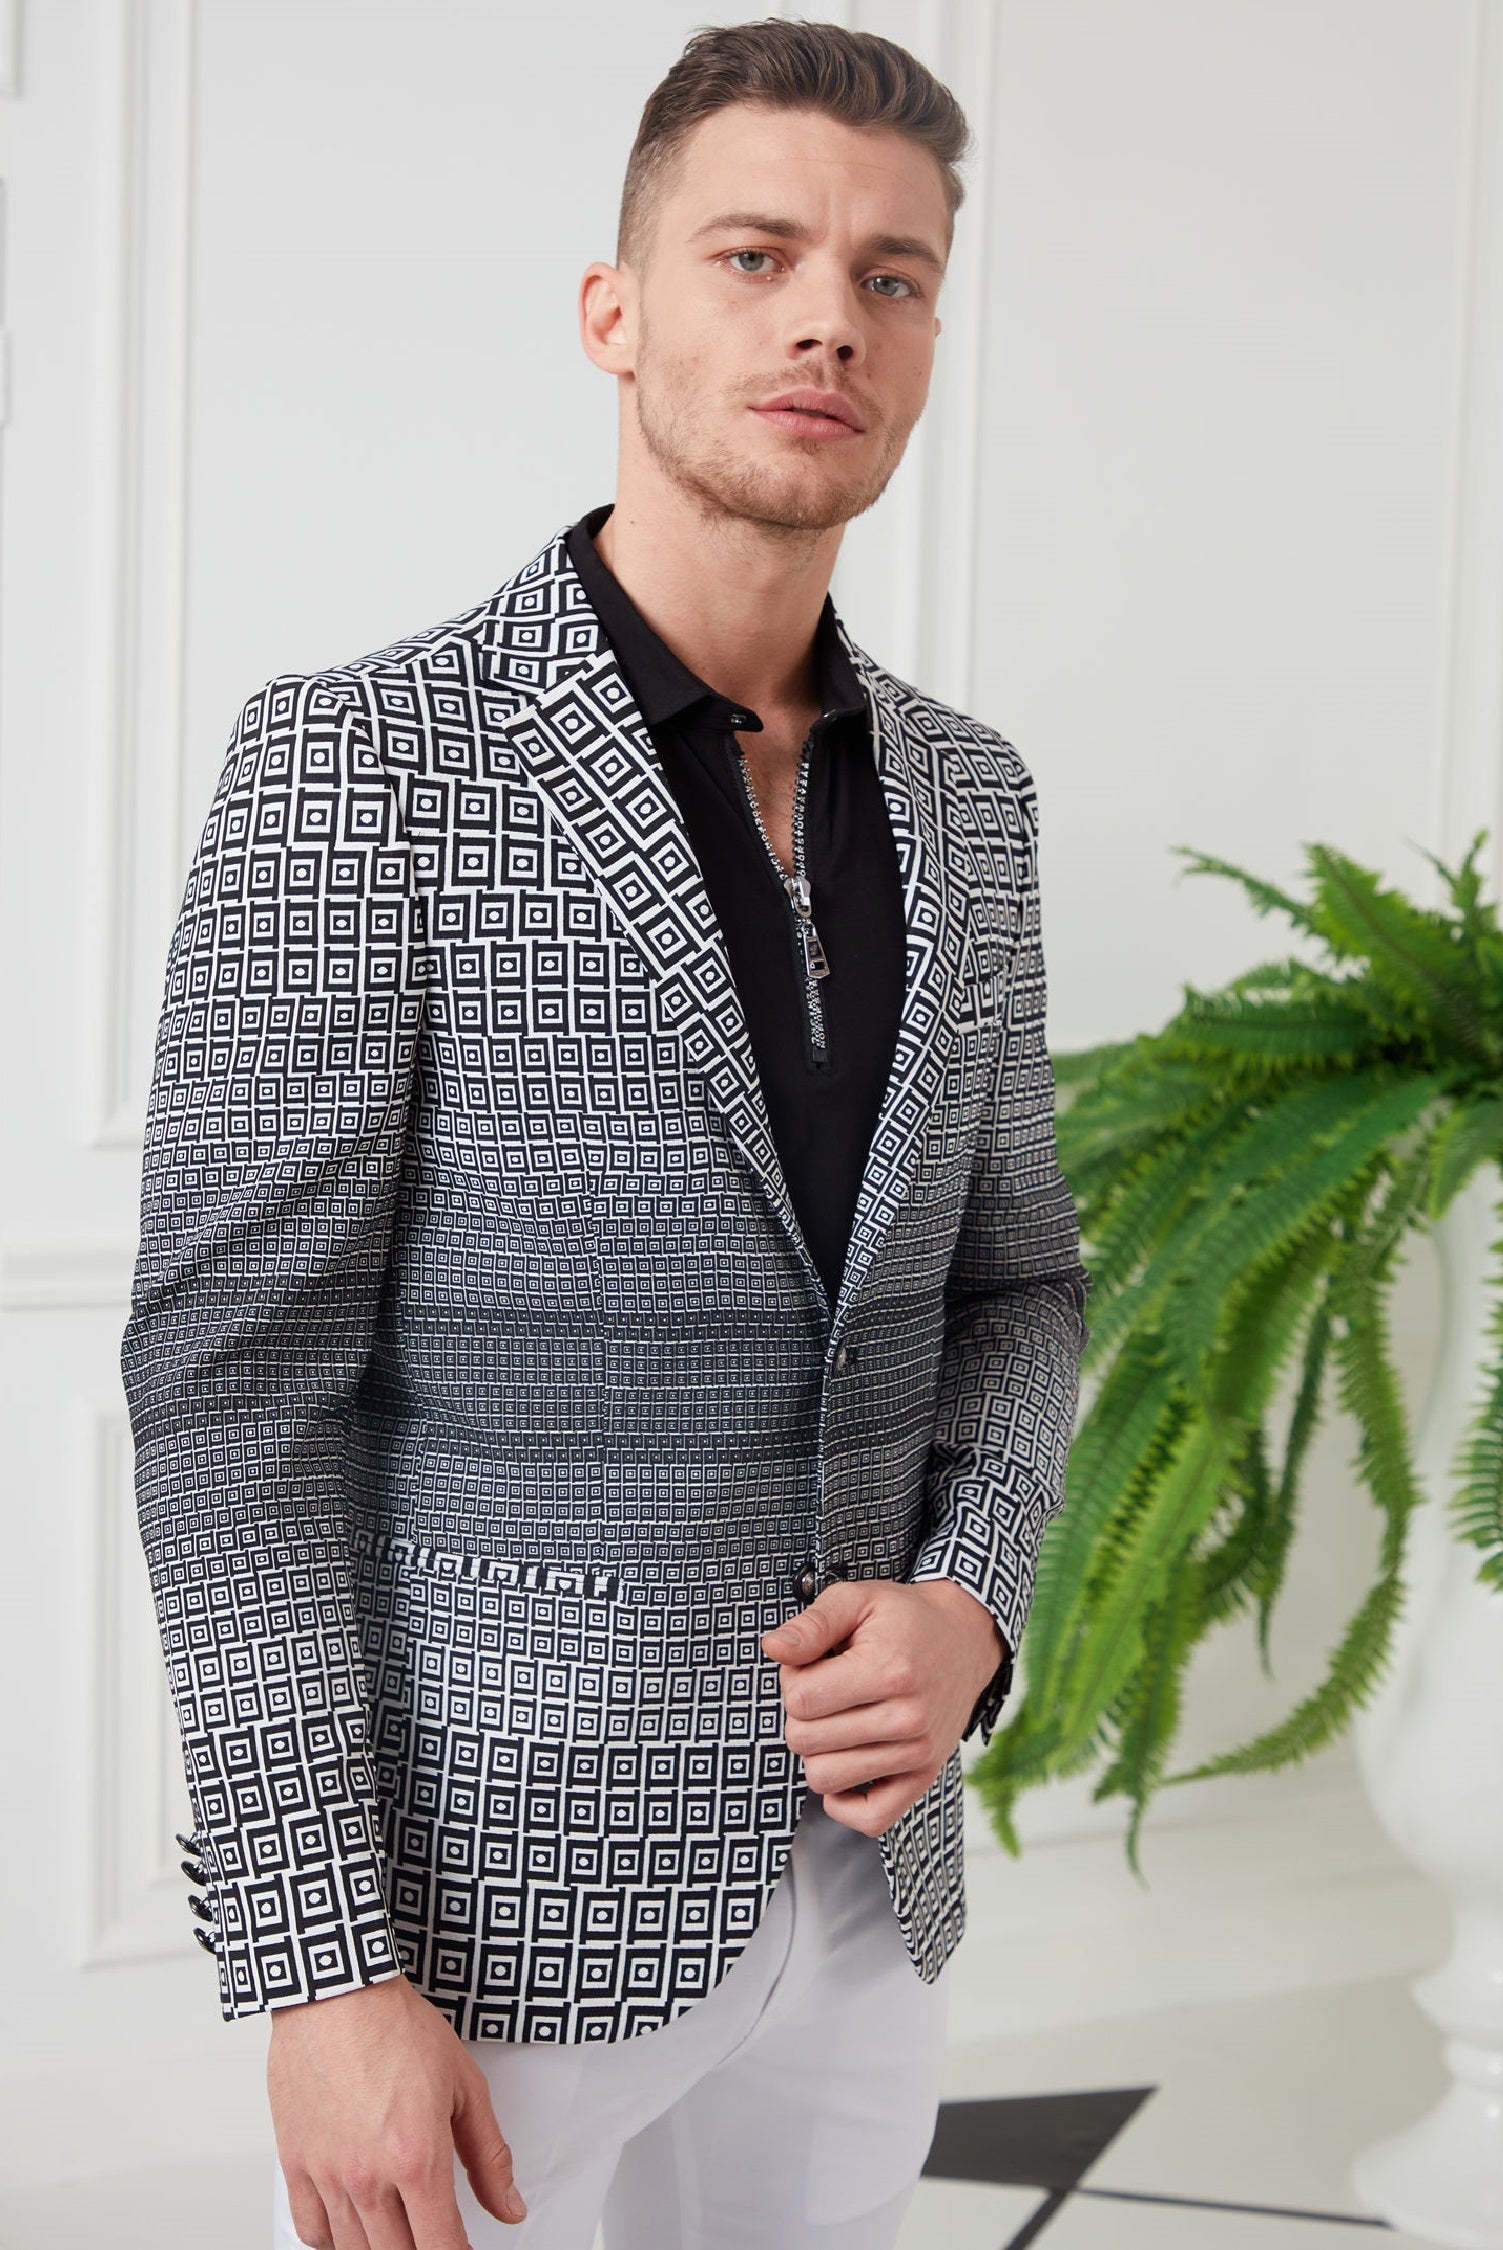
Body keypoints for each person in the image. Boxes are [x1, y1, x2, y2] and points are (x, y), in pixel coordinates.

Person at [120, 16, 1091, 2249]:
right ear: (615, 310)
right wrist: (319, 1969)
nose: (828, 318)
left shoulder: (975, 798)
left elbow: (1020, 1283)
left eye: (891, 276)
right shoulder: (358, 764)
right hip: (488, 1924)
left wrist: (973, 1601)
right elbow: (231, 1407)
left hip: (864, 1892)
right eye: (756, 255)